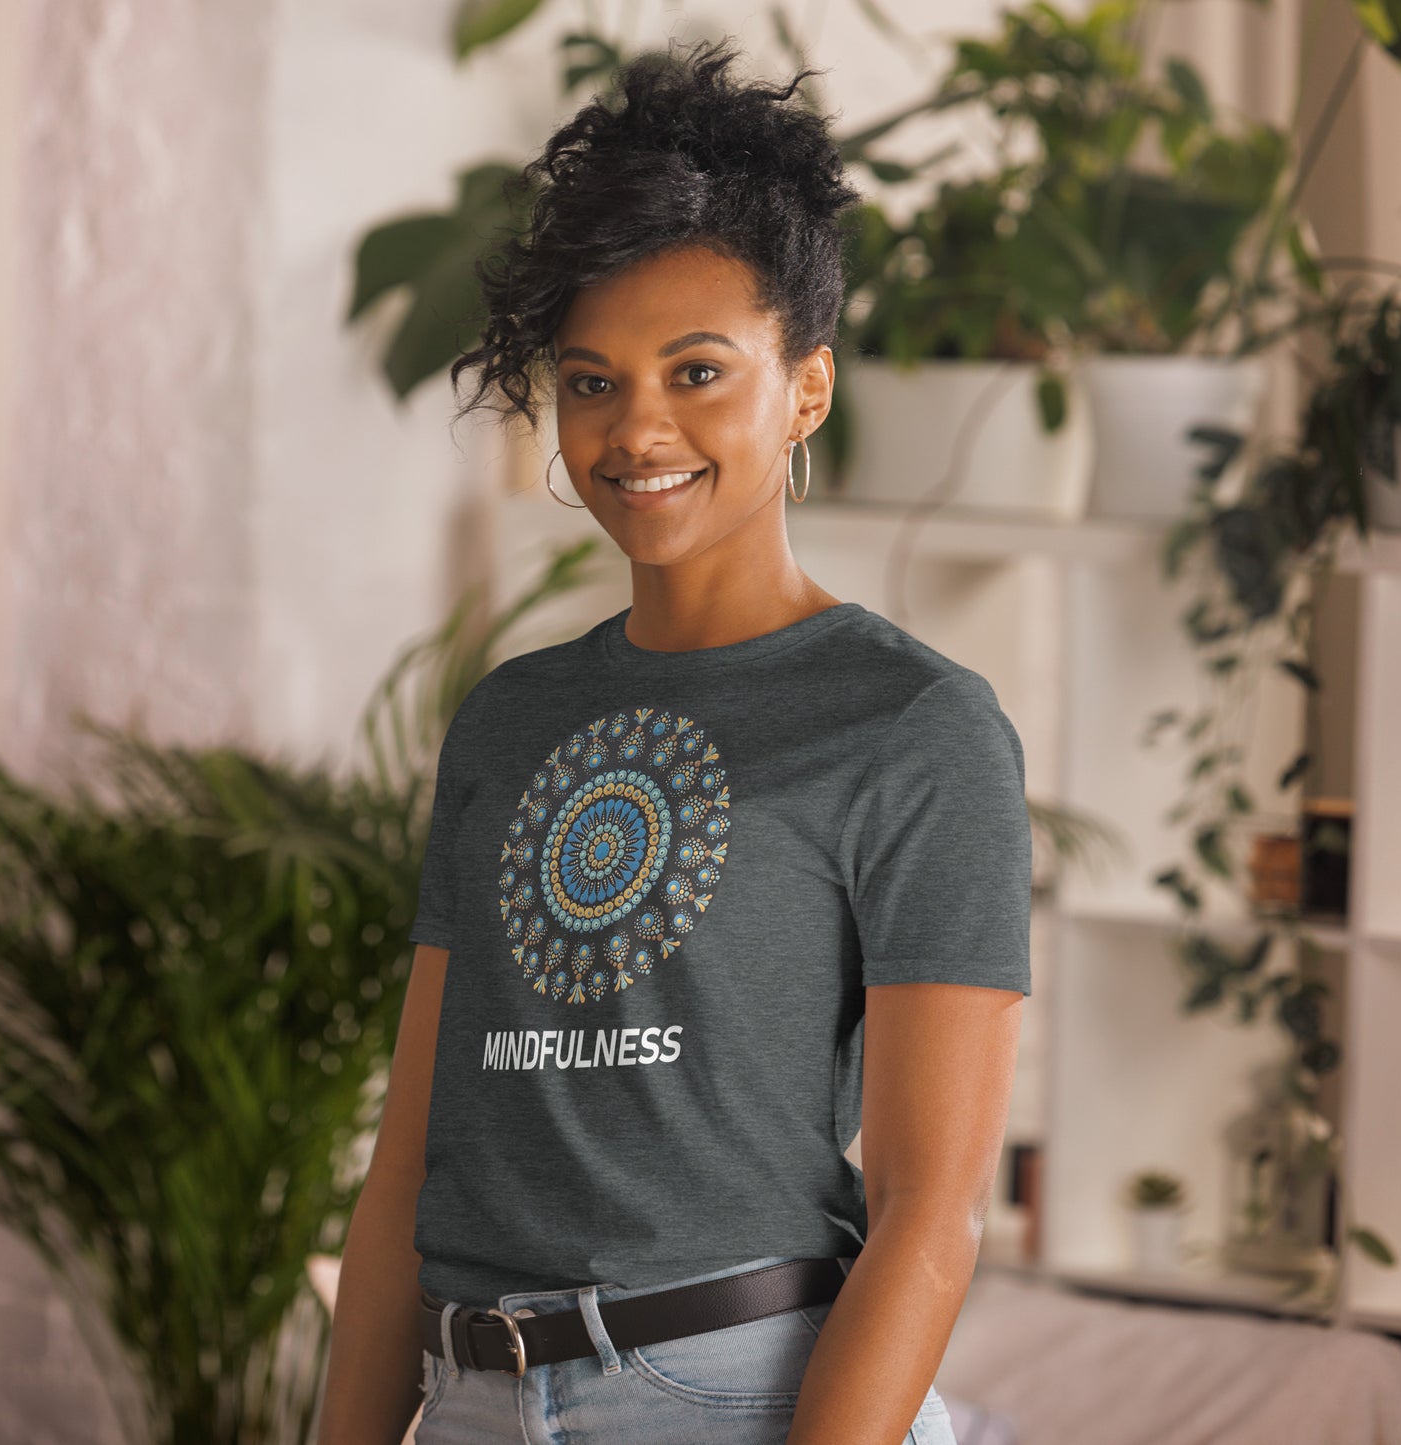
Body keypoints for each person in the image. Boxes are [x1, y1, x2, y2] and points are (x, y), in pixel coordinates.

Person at [316, 35, 1030, 1445]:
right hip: (471, 1397)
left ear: (806, 387)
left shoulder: (912, 724)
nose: (636, 429)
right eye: (592, 381)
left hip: (737, 1393)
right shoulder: (510, 717)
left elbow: (930, 1213)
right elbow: (410, 1163)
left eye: (697, 371)